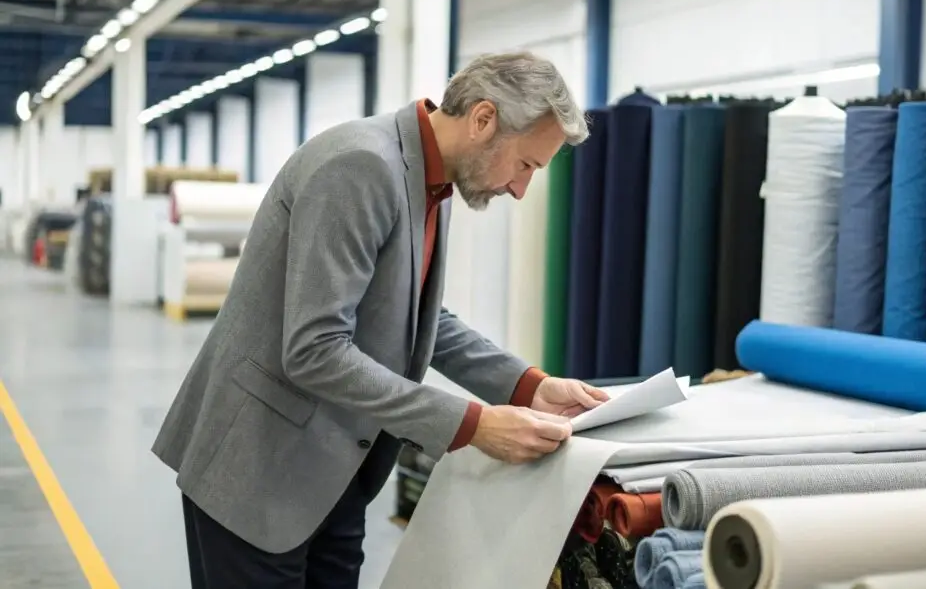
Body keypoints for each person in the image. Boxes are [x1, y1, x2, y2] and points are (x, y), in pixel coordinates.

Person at [151, 51, 610, 588]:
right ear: (484, 119)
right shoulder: (360, 166)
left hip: (334, 470)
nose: (520, 188)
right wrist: (473, 426)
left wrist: (528, 386)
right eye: (527, 164)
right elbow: (315, 348)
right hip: (258, 472)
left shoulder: (432, 180)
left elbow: (416, 317)